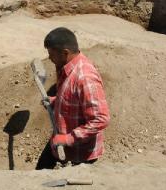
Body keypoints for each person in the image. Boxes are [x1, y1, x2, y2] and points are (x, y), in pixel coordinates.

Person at [36, 27, 110, 169]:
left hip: (80, 152)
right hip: (60, 138)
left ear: (65, 53)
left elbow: (101, 119)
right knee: (40, 172)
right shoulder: (65, 66)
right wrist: (55, 101)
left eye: (51, 54)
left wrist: (68, 138)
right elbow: (72, 96)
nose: (49, 58)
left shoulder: (85, 78)